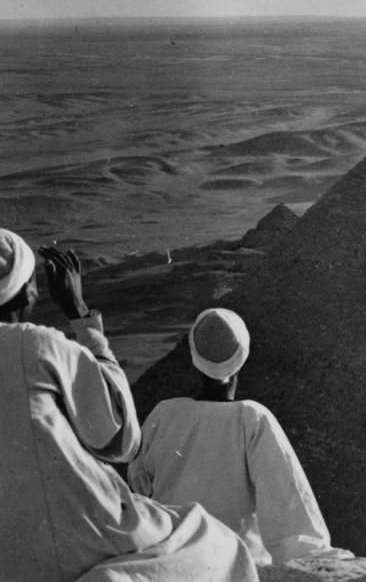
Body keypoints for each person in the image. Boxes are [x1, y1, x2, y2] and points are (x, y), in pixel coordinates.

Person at [0, 229, 257, 582]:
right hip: (77, 537)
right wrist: (79, 312)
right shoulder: (37, 346)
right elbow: (120, 437)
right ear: (26, 291)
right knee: (213, 540)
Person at [128, 306, 349, 568]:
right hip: (233, 567)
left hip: (170, 562)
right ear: (242, 357)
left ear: (195, 356)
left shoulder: (163, 413)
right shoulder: (252, 419)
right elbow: (288, 506)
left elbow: (138, 484)